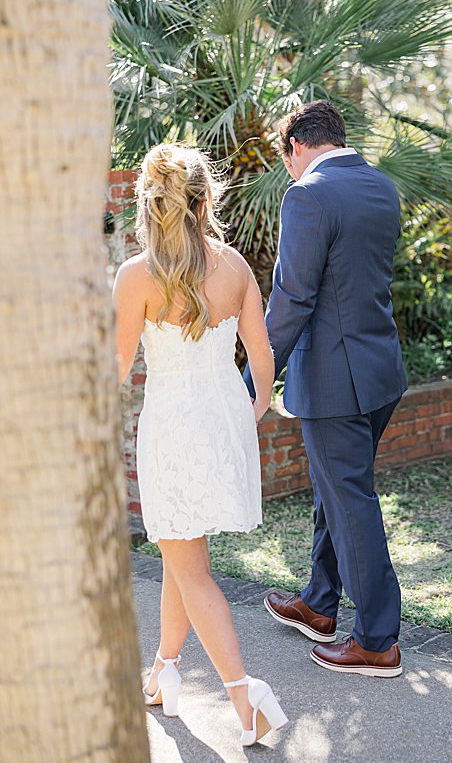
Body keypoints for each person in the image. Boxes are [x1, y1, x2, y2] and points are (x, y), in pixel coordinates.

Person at [113, 143, 287, 746]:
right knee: (181, 555)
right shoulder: (235, 266)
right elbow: (261, 356)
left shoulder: (137, 276)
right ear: (205, 199)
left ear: (149, 204)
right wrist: (256, 407)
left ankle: (246, 695)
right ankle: (164, 670)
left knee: (189, 562)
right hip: (224, 420)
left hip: (173, 426)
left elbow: (115, 369)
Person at [245, 100, 409, 677]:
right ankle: (319, 603)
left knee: (349, 502)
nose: (286, 168)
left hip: (335, 380)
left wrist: (255, 378)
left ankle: (376, 641)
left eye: (283, 157)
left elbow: (292, 300)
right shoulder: (382, 188)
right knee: (334, 492)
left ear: (295, 145)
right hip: (380, 371)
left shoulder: (307, 194)